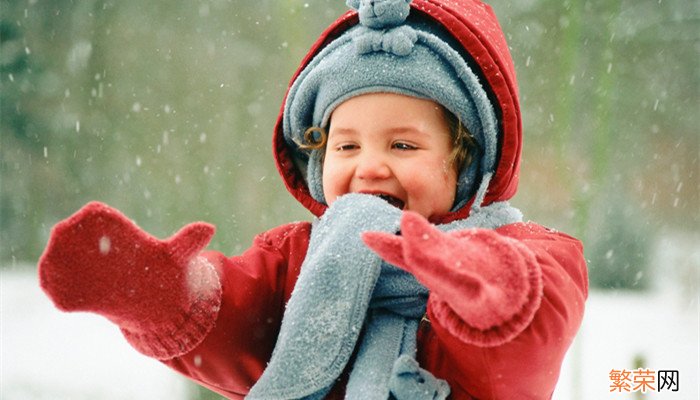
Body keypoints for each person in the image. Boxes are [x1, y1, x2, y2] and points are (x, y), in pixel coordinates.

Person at [38, 0, 588, 398]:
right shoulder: (304, 260)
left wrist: (487, 285)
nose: (370, 165)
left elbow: (523, 356)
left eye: (402, 144)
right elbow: (244, 329)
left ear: (465, 161)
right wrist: (168, 295)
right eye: (347, 145)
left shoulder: (525, 252)